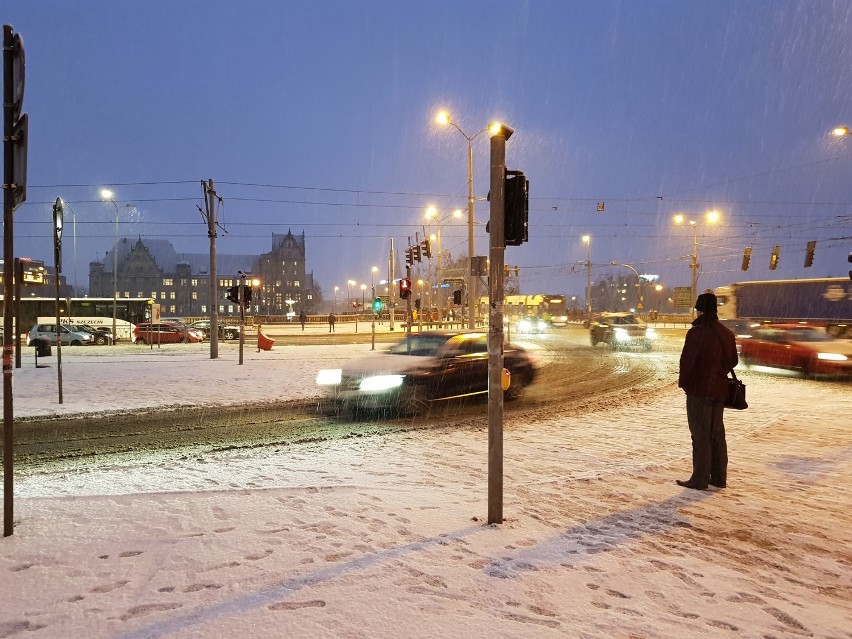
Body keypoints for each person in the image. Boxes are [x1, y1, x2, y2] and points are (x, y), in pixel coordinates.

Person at [677, 291, 738, 491]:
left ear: (699, 310)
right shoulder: (727, 333)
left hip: (699, 390)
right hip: (719, 391)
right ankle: (719, 477)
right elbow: (733, 362)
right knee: (717, 434)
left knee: (700, 434)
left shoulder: (697, 333)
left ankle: (700, 479)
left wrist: (685, 383)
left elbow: (687, 362)